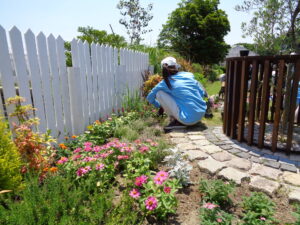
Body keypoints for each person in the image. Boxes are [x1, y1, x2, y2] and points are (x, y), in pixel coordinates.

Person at [146, 57, 207, 130]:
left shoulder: (165, 83)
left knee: (159, 93)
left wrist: (160, 105)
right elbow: (201, 93)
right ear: (176, 66)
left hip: (187, 120)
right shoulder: (189, 75)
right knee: (187, 89)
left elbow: (149, 98)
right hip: (200, 114)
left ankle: (176, 121)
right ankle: (186, 115)